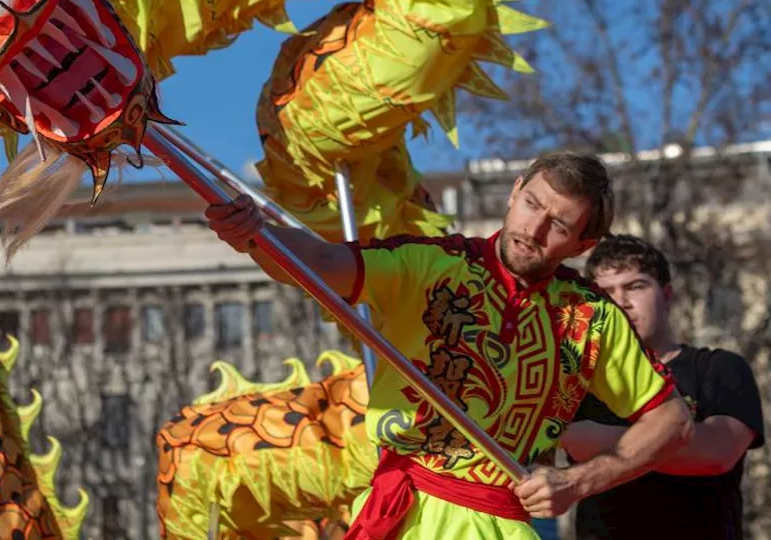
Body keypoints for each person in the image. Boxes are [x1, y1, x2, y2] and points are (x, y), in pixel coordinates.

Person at [206, 150, 693, 540]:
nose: (534, 230)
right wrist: (256, 235)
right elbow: (320, 260)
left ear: (583, 245)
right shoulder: (432, 264)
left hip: (502, 525)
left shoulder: (592, 315)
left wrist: (579, 481)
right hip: (401, 513)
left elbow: (673, 421)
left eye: (559, 226)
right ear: (514, 193)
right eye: (532, 205)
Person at [563, 235, 765, 539]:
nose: (620, 302)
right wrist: (675, 438)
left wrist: (591, 438)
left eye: (635, 286)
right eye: (605, 292)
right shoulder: (578, 382)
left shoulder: (718, 368)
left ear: (667, 295)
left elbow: (715, 453)